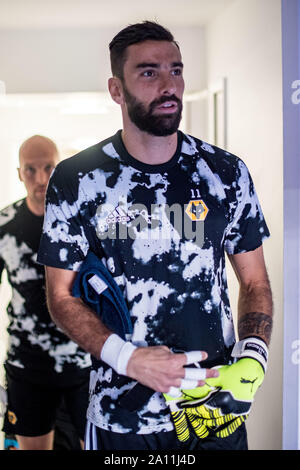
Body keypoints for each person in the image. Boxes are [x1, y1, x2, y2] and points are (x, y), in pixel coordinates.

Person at [37, 21, 273, 451]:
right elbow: (60, 296)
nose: (169, 85)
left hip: (214, 408)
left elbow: (255, 280)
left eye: (176, 70)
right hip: (122, 416)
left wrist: (254, 355)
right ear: (116, 89)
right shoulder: (78, 179)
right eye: (149, 72)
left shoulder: (225, 173)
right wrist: (129, 360)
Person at [0, 135, 91, 450]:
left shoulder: (83, 224)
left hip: (84, 360)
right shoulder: (4, 226)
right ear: (19, 174)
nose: (40, 179)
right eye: (30, 170)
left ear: (59, 167)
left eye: (49, 167)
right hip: (27, 364)